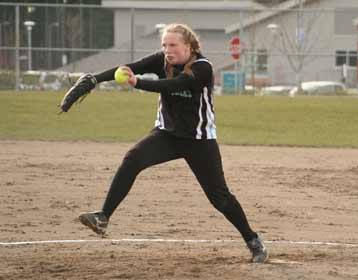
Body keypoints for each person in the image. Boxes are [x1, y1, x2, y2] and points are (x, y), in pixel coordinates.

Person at [73, 23, 268, 263]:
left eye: (173, 45)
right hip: (167, 134)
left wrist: (138, 83)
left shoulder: (202, 68)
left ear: (189, 46)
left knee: (220, 198)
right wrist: (95, 79)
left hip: (199, 140)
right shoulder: (161, 60)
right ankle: (103, 216)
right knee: (133, 158)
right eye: (165, 45)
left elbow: (175, 85)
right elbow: (129, 68)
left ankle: (253, 240)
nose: (167, 49)